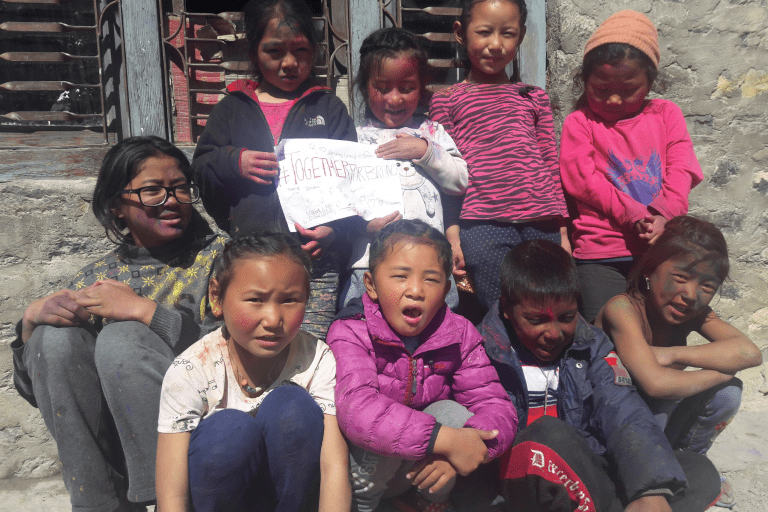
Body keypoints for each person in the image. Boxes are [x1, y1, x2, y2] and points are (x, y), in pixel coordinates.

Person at [11, 136, 228, 512]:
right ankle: (99, 504)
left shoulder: (223, 260)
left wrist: (144, 312)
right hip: (120, 450)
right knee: (53, 339)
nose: (172, 200)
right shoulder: (97, 278)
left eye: (180, 188)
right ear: (116, 207)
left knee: (123, 338)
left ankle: (166, 501)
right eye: (152, 191)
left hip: (199, 432)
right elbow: (40, 392)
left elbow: (228, 355)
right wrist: (30, 324)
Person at [479, 239, 722, 512]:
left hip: (583, 473)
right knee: (547, 433)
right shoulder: (481, 350)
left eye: (567, 317)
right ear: (506, 309)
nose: (553, 333)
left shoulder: (591, 344)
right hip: (518, 485)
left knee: (698, 471)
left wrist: (650, 490)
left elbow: (622, 408)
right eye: (536, 320)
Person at [192, 0, 357, 340]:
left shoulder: (329, 108)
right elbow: (202, 168)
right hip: (249, 257)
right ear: (253, 53)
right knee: (258, 341)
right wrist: (234, 162)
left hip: (315, 262)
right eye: (274, 51)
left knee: (309, 344)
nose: (289, 63)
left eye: (301, 50)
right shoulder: (232, 110)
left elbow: (352, 181)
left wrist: (334, 230)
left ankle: (300, 395)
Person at [327, 219, 517, 512]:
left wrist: (465, 449)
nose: (416, 290)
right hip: (364, 469)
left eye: (430, 279)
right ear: (371, 285)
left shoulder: (460, 333)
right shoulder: (351, 330)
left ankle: (429, 503)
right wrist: (444, 440)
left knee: (452, 412)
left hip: (424, 463)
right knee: (384, 424)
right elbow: (358, 410)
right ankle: (364, 508)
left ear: (446, 290)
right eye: (400, 276)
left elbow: (497, 406)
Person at [155, 232, 350, 512]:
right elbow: (172, 496)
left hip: (289, 499)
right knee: (229, 431)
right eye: (256, 299)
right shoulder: (191, 370)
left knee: (292, 408)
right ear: (216, 297)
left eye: (289, 300)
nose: (273, 319)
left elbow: (334, 467)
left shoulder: (317, 360)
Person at [595, 216, 762, 508]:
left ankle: (687, 463)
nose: (690, 294)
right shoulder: (621, 308)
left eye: (707, 286)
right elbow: (656, 384)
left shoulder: (694, 313)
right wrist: (723, 371)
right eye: (681, 277)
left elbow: (750, 352)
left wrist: (672, 354)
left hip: (653, 425)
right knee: (659, 401)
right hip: (607, 430)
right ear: (650, 269)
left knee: (728, 394)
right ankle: (639, 480)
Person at [559, 10, 704, 322]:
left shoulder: (666, 115)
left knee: (657, 330)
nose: (613, 99)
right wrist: (635, 214)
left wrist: (663, 215)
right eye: (601, 88)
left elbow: (683, 171)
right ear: (585, 81)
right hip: (600, 255)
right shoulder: (580, 122)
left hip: (659, 252)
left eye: (628, 90)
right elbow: (582, 180)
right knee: (608, 334)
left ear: (650, 83)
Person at [428, 0, 569, 314]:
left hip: (541, 221)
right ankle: (503, 363)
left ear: (519, 38)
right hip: (481, 224)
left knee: (546, 306)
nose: (495, 44)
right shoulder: (447, 100)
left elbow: (549, 161)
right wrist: (452, 235)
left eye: (507, 33)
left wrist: (562, 230)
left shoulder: (534, 97)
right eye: (484, 32)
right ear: (460, 33)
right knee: (499, 309)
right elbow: (446, 173)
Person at [340, 27, 468, 310]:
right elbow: (339, 199)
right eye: (382, 88)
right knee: (362, 328)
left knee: (437, 334)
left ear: (421, 87)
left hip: (430, 264)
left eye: (406, 88)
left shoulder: (432, 132)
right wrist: (363, 226)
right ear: (364, 87)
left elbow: (460, 181)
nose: (394, 99)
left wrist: (424, 151)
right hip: (368, 264)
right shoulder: (353, 138)